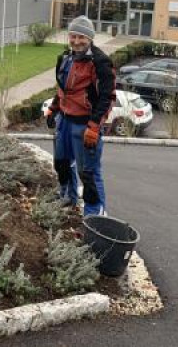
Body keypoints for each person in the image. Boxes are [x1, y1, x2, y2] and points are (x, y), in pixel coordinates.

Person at [45, 16, 115, 216]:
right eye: (73, 36)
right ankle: (67, 196)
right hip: (64, 121)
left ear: (90, 38)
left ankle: (94, 214)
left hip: (85, 125)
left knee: (88, 173)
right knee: (61, 162)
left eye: (81, 37)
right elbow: (62, 89)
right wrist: (54, 108)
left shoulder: (100, 62)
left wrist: (94, 126)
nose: (76, 41)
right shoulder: (65, 58)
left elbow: (107, 97)